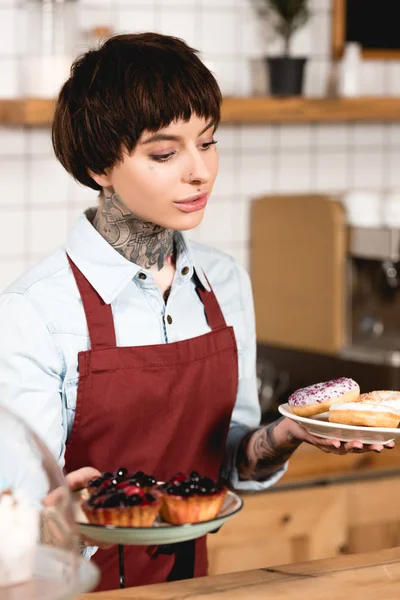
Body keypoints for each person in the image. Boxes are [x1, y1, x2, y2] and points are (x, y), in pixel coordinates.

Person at [0, 32, 392, 591]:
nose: (199, 172)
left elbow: (227, 462)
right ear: (98, 167)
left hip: (193, 584)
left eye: (207, 143)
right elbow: (14, 527)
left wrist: (287, 434)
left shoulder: (223, 283)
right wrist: (60, 512)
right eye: (165, 153)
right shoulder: (33, 312)